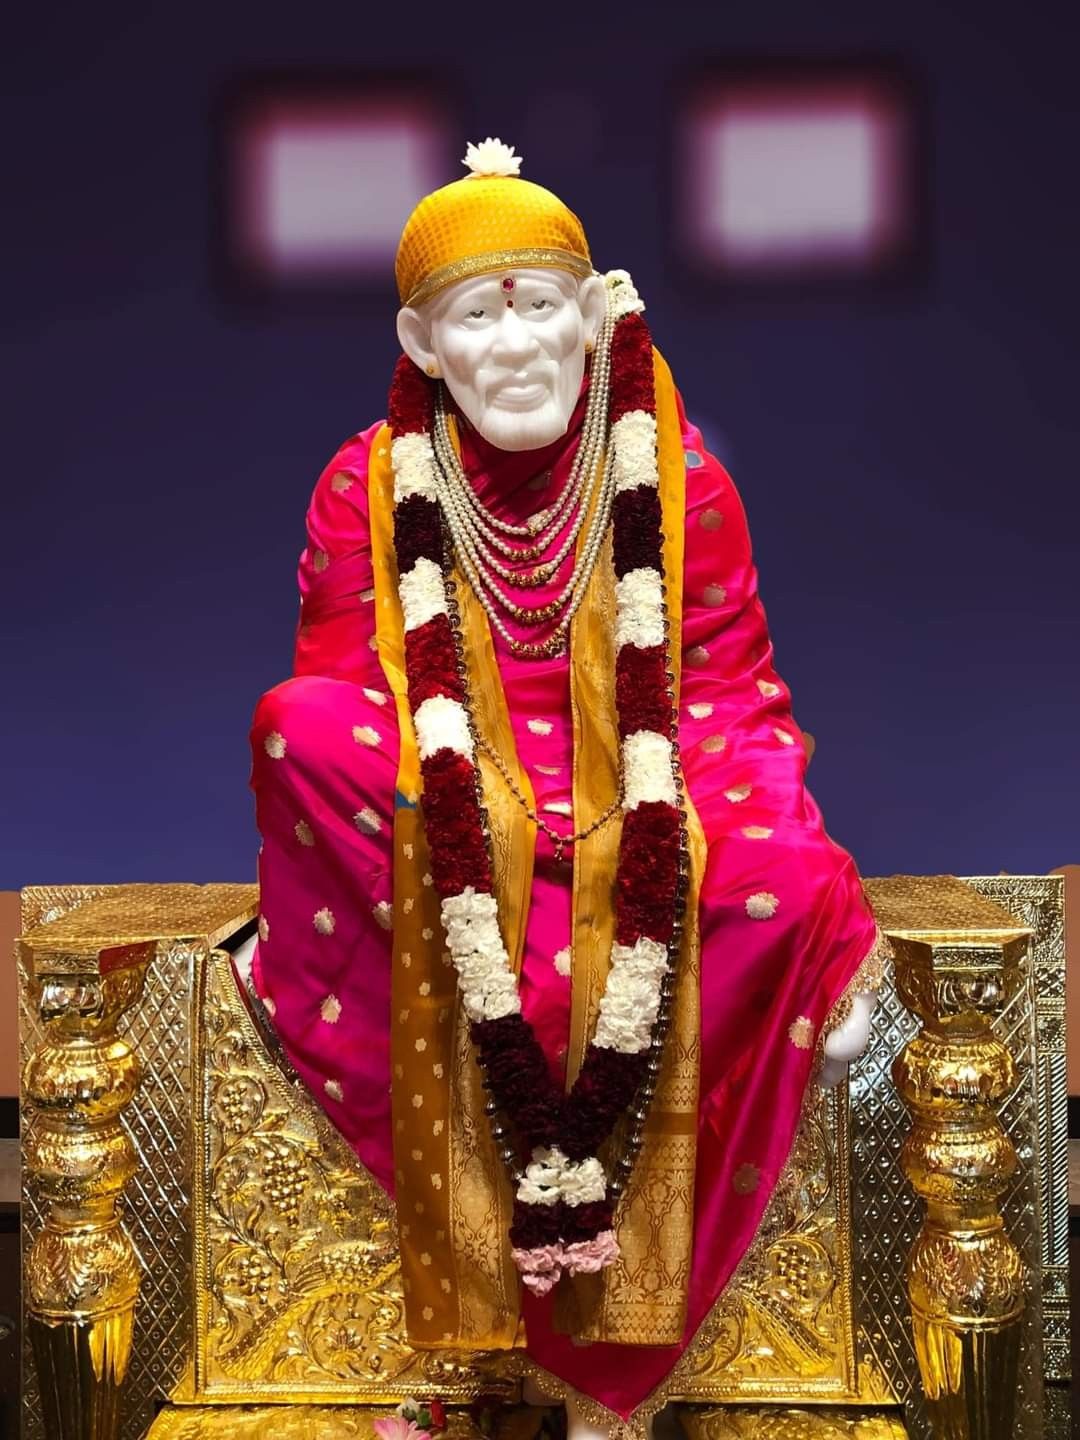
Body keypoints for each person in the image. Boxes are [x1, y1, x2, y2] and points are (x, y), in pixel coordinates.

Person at [248, 138, 886, 1436]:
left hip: (649, 794)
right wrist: (472, 799)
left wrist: (761, 825)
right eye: (480, 318)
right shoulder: (365, 484)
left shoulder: (678, 473)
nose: (520, 343)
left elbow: (729, 693)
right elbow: (346, 695)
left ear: (598, 316)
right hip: (457, 806)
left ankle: (617, 1361)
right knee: (298, 727)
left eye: (543, 305)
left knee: (788, 879)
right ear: (422, 347)